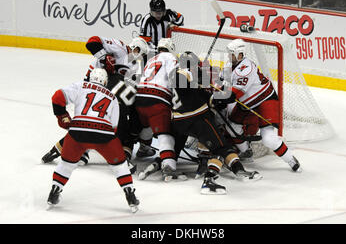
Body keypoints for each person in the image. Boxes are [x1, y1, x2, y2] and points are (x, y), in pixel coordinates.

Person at [41, 36, 153, 166]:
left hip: (109, 86)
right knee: (99, 117)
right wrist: (104, 57)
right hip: (95, 81)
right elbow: (93, 42)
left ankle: (81, 148)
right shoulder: (120, 47)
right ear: (135, 47)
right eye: (139, 53)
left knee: (98, 116)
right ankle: (90, 149)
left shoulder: (135, 66)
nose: (139, 58)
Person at [46, 68, 140, 212]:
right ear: (105, 81)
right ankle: (130, 195)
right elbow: (114, 127)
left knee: (66, 164)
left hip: (77, 132)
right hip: (104, 134)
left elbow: (57, 97)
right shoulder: (112, 97)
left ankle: (54, 192)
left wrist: (63, 117)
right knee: (120, 166)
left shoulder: (80, 85)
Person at [170, 51, 262, 194]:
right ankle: (209, 181)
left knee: (216, 143)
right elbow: (188, 84)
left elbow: (206, 97)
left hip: (179, 122)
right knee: (221, 148)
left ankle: (238, 170)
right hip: (197, 119)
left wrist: (222, 97)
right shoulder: (185, 73)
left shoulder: (178, 73)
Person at [212, 39, 301, 173]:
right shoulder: (230, 65)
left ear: (240, 54)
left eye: (232, 54)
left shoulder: (246, 69)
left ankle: (291, 160)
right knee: (232, 128)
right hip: (247, 102)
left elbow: (231, 96)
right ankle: (246, 152)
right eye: (229, 53)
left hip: (265, 100)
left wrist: (214, 97)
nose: (229, 56)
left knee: (268, 139)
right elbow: (221, 83)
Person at [134, 37, 180, 181]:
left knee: (147, 124)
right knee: (165, 133)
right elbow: (175, 78)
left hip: (139, 98)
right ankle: (169, 166)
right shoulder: (171, 58)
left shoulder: (151, 60)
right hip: (157, 99)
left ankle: (143, 148)